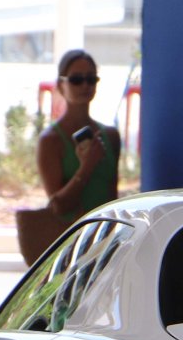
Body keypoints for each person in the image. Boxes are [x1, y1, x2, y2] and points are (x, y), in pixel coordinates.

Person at [37, 49, 121, 216]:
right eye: (76, 80)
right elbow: (58, 207)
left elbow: (112, 197)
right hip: (73, 236)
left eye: (91, 79)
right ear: (61, 85)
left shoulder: (111, 136)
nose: (85, 85)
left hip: (105, 234)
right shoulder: (51, 140)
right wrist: (87, 167)